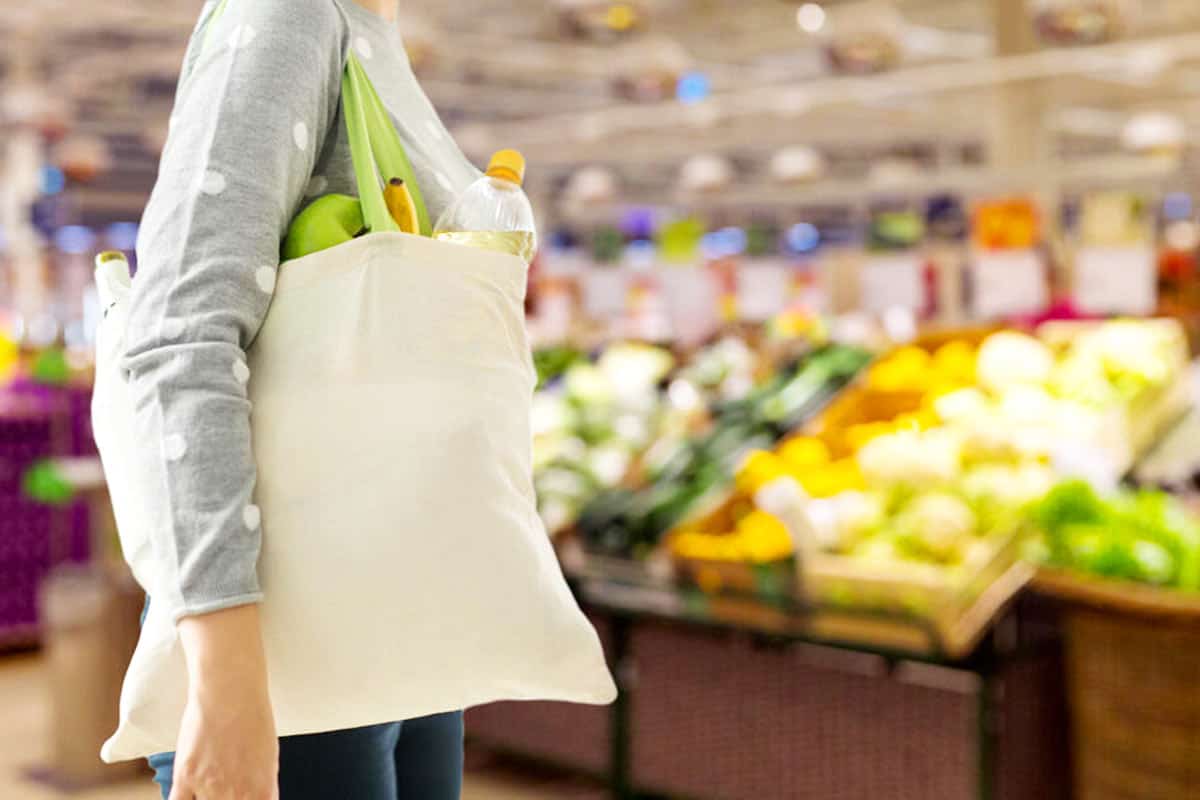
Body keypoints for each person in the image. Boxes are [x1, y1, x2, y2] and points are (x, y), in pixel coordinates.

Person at [123, 0, 480, 797]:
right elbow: (182, 333)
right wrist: (228, 692)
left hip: (398, 612)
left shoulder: (367, 30)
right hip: (292, 644)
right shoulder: (290, 13)